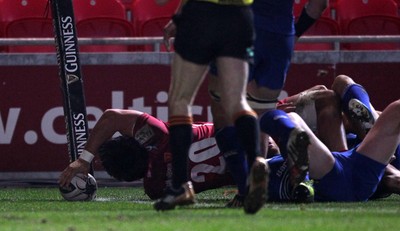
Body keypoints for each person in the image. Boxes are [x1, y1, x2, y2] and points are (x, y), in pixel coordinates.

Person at [154, 0, 268, 213]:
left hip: (201, 14)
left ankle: (180, 185)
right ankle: (256, 161)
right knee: (237, 100)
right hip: (239, 16)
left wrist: (179, 16)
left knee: (180, 99)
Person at [58, 108, 312, 204]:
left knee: (304, 188)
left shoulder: (155, 188)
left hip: (263, 172)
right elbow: (112, 117)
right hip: (259, 132)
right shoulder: (158, 137)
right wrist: (84, 159)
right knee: (313, 104)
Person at [259, 99, 400, 203]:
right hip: (329, 177)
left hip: (351, 163)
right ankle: (302, 179)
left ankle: (301, 176)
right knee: (288, 118)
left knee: (396, 109)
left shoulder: (276, 157)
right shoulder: (254, 173)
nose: (270, 141)